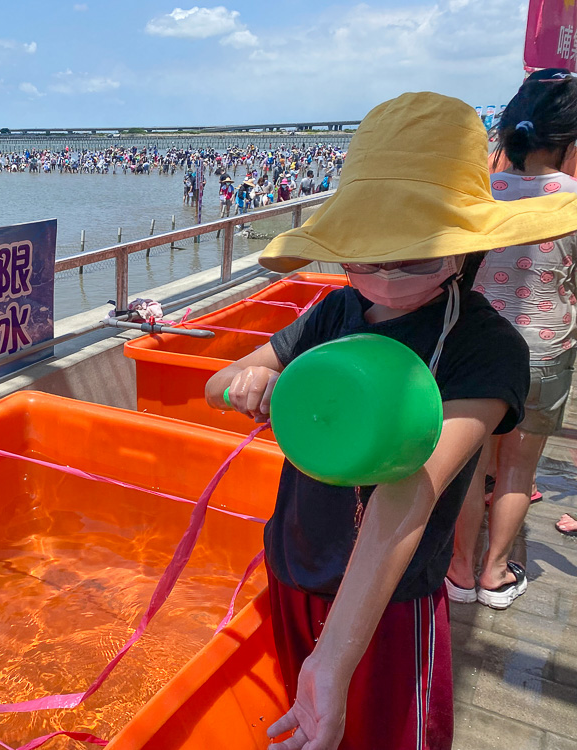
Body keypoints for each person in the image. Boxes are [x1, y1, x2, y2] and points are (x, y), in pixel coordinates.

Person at [204, 92, 577, 750]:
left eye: (418, 258)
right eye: (366, 258)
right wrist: (252, 382)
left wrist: (335, 658)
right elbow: (215, 384)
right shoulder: (331, 315)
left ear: (466, 249)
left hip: (389, 595)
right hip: (295, 561)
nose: (387, 280)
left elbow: (413, 488)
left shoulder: (486, 349)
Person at [447, 70, 577, 604]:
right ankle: (495, 575)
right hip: (545, 350)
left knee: (470, 465)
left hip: (475, 346)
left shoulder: (480, 193)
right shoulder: (572, 200)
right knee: (519, 471)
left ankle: (457, 569)